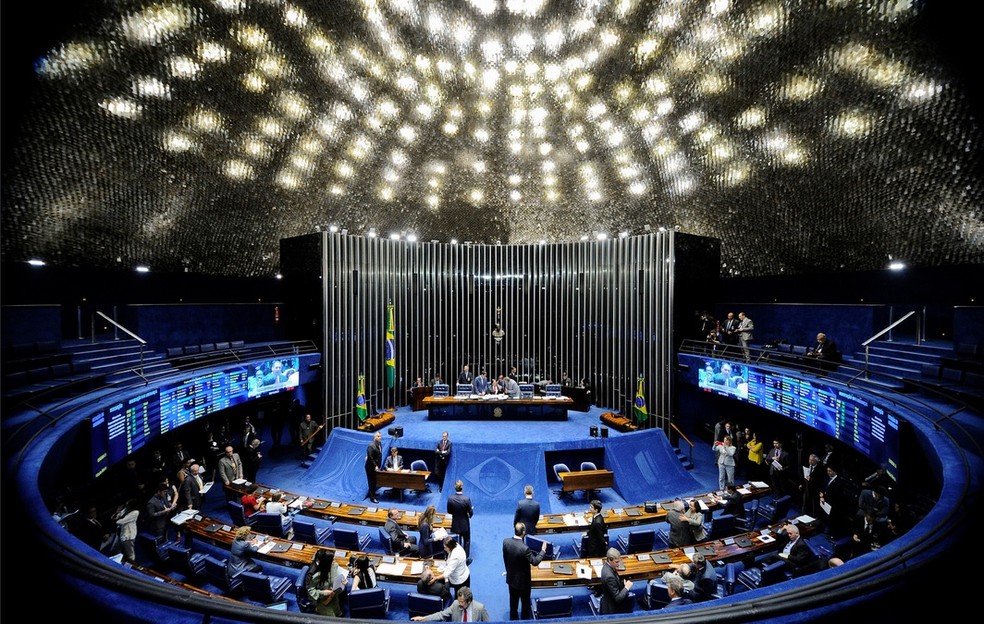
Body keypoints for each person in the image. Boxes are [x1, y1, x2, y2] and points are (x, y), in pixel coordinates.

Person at [502, 521, 547, 620]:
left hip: (511, 579)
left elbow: (505, 559)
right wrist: (543, 551)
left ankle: (513, 621)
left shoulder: (506, 542)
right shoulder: (525, 548)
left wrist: (509, 571)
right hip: (523, 583)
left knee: (513, 604)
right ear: (523, 532)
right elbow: (535, 561)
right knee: (525, 605)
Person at [411, 585, 489, 622]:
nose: (459, 604)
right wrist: (423, 618)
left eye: (462, 602)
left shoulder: (480, 608)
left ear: (469, 601)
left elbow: (487, 623)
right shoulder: (455, 604)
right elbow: (441, 614)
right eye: (458, 601)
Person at [307, 549, 346, 617]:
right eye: (332, 560)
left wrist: (343, 583)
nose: (335, 561)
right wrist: (323, 592)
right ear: (326, 563)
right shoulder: (315, 575)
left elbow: (338, 580)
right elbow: (310, 590)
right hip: (323, 602)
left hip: (334, 598)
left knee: (339, 615)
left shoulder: (334, 566)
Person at [600, 548, 634, 614]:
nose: (619, 564)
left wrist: (622, 585)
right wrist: (626, 587)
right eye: (616, 562)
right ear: (609, 560)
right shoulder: (609, 576)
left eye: (619, 561)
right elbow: (617, 599)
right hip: (612, 609)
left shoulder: (607, 566)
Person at [447, 480, 474, 560]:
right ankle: (465, 558)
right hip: (465, 524)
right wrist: (470, 513)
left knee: (456, 542)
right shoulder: (466, 499)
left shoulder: (450, 498)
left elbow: (449, 511)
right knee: (467, 541)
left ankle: (456, 557)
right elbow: (470, 512)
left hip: (455, 524)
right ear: (462, 487)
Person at [112, 498, 140, 563]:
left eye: (128, 505)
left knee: (130, 554)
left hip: (128, 536)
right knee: (116, 551)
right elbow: (115, 517)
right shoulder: (126, 510)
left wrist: (117, 520)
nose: (126, 506)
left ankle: (130, 567)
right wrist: (117, 512)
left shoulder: (135, 512)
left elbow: (121, 521)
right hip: (120, 534)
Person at [365, 431, 382, 503]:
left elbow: (379, 455)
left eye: (380, 436)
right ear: (374, 437)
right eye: (378, 436)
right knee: (371, 481)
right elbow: (370, 457)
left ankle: (373, 493)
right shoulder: (371, 446)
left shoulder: (379, 443)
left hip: (376, 465)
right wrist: (375, 466)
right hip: (370, 467)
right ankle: (372, 497)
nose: (379, 438)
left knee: (375, 481)